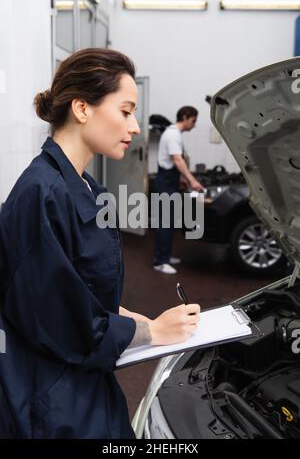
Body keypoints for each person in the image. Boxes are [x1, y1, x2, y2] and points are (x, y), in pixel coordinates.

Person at [0, 48, 200, 439]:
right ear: (82, 108)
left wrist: (144, 321)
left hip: (86, 383)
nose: (136, 126)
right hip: (53, 401)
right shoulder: (41, 195)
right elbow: (70, 326)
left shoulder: (87, 188)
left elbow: (85, 295)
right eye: (126, 111)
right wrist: (154, 332)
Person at [153, 106, 205, 274]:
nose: (194, 125)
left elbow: (175, 161)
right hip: (165, 183)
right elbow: (177, 160)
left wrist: (181, 180)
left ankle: (165, 257)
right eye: (193, 120)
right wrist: (193, 181)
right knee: (164, 223)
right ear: (185, 117)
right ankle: (160, 262)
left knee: (169, 222)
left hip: (170, 182)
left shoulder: (173, 133)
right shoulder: (173, 134)